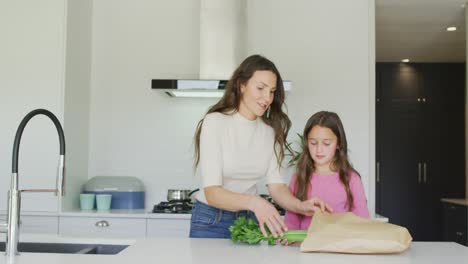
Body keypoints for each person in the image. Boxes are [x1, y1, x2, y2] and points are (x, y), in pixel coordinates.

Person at [189, 55, 332, 239]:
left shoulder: (271, 131)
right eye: (260, 88)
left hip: (249, 221)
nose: (267, 98)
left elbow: (277, 186)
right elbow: (212, 193)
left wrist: (300, 206)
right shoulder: (215, 122)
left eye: (272, 91)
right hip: (211, 220)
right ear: (241, 85)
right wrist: (254, 202)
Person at [284, 111, 370, 232]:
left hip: (340, 248)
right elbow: (291, 222)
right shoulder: (299, 178)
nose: (319, 149)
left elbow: (363, 222)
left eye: (326, 143)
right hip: (304, 248)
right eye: (313, 143)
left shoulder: (352, 179)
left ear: (338, 144)